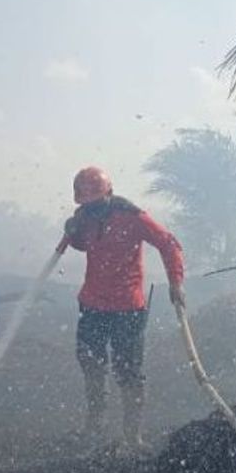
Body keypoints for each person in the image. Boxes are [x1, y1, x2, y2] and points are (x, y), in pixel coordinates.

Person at [62, 166, 185, 451]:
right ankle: (94, 426)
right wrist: (74, 231)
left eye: (94, 204)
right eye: (85, 204)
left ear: (108, 195)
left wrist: (175, 283)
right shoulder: (85, 218)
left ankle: (133, 437)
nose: (90, 209)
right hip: (92, 303)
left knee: (128, 372)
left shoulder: (132, 217)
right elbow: (84, 245)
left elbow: (168, 244)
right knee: (91, 363)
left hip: (127, 308)